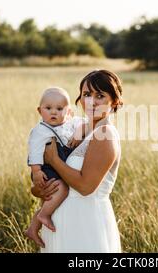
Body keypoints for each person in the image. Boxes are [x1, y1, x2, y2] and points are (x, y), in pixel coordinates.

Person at [31, 69, 124, 252]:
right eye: (86, 94)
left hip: (86, 223)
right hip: (60, 222)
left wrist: (54, 159)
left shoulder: (105, 135)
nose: (91, 101)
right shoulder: (77, 130)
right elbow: (56, 177)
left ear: (113, 101)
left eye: (100, 95)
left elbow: (85, 187)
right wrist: (39, 189)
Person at [25, 87, 84, 247]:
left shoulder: (72, 122)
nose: (54, 112)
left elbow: (83, 123)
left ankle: (34, 226)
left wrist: (79, 132)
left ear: (69, 111)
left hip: (59, 166)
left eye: (60, 109)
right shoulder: (40, 131)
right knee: (61, 189)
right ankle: (43, 216)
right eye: (48, 108)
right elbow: (35, 151)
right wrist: (36, 171)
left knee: (55, 197)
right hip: (45, 170)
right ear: (39, 110)